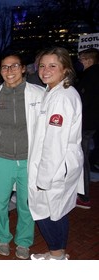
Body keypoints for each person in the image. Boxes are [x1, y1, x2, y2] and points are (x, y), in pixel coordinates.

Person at [0, 53, 44, 259]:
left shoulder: (39, 94)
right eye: (5, 67)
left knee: (26, 203)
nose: (9, 71)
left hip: (28, 159)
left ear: (23, 68)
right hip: (1, 158)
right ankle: (3, 236)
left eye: (14, 66)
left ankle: (24, 241)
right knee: (0, 202)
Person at [28, 47, 84, 260]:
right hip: (58, 166)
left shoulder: (61, 97)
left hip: (55, 168)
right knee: (55, 211)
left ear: (65, 69)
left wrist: (43, 178)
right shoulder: (54, 92)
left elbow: (54, 143)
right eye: (42, 65)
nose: (45, 70)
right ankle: (57, 254)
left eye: (52, 66)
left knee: (49, 213)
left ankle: (57, 256)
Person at [75, 48, 99, 209]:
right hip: (93, 123)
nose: (80, 62)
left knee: (80, 157)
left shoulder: (90, 77)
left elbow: (81, 103)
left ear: (89, 60)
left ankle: (84, 196)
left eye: (82, 59)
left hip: (85, 124)